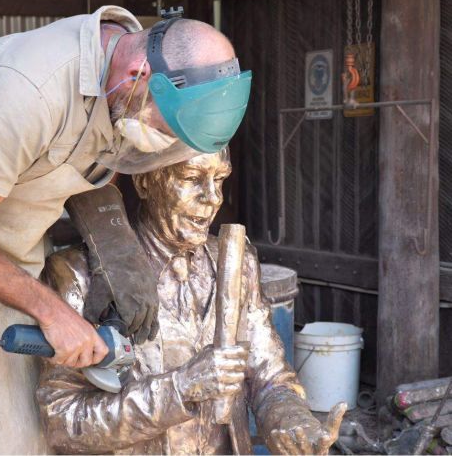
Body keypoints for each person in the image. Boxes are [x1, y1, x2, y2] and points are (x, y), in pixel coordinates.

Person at [0, 5, 252, 454]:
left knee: (18, 422)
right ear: (139, 73)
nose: (156, 141)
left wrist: (115, 245)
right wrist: (53, 312)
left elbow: (96, 160)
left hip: (13, 242)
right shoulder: (26, 91)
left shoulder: (123, 88)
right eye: (159, 127)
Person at [38, 150, 346, 455]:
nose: (213, 198)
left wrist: (289, 418)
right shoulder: (79, 276)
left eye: (219, 179)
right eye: (192, 178)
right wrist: (180, 388)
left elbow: (270, 376)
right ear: (146, 182)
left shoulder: (238, 264)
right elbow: (63, 424)